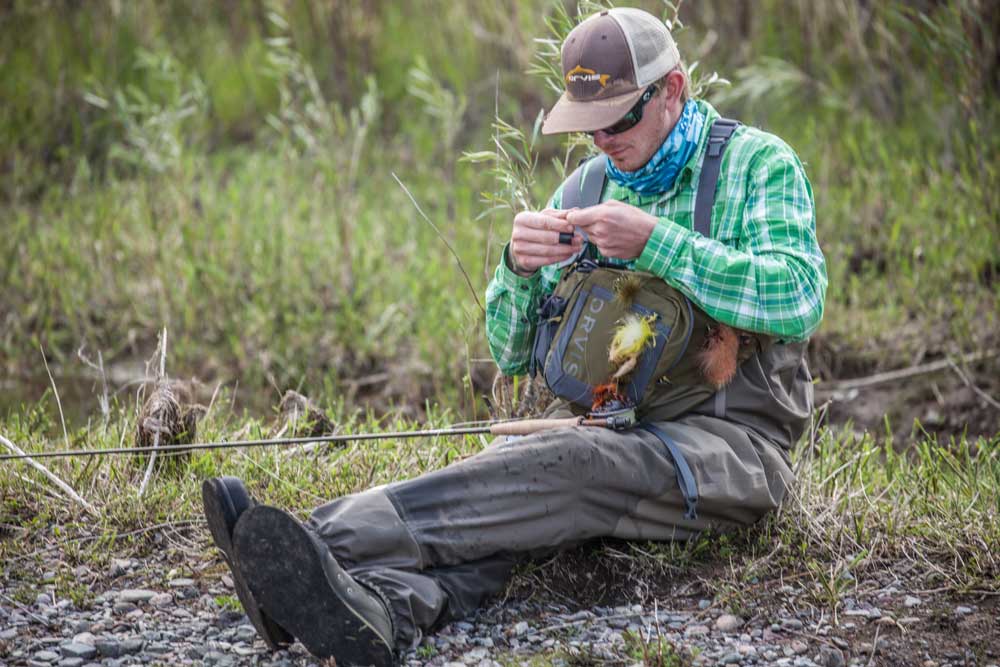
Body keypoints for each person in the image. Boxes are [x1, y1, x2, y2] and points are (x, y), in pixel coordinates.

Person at [201, 8, 827, 667]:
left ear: (671, 90)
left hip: (731, 452)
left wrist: (657, 243)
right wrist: (519, 269)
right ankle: (381, 608)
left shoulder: (758, 164)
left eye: (618, 119)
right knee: (523, 495)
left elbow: (798, 297)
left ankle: (320, 539)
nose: (602, 142)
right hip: (605, 432)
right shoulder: (585, 187)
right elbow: (514, 354)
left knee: (569, 465)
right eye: (589, 127)